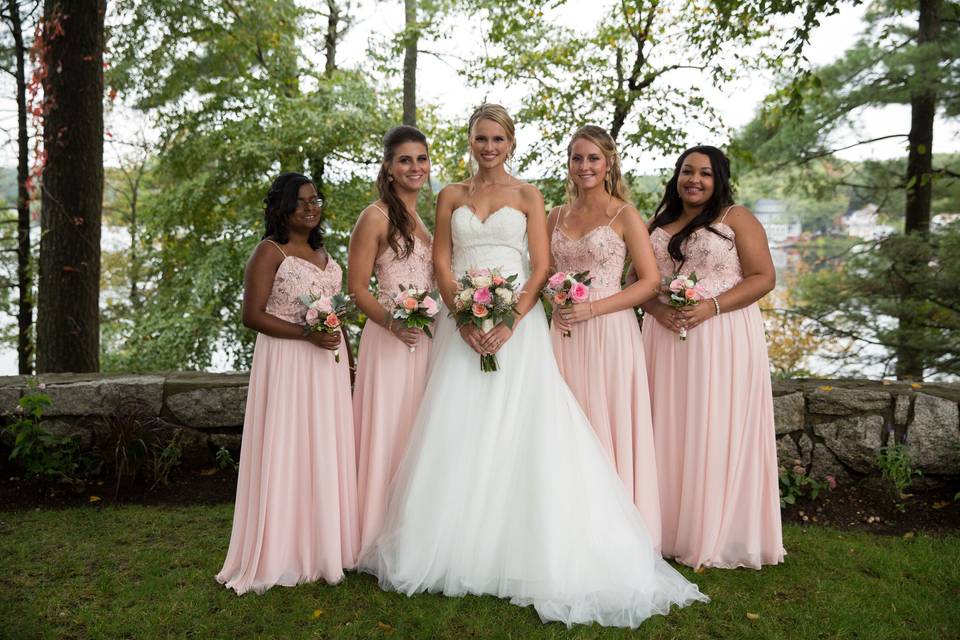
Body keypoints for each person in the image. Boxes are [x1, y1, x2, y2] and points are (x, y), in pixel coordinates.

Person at [359, 105, 707, 628]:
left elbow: (542, 266)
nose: (489, 147)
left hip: (517, 330)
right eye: (481, 138)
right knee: (460, 431)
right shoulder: (450, 196)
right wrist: (463, 314)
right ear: (470, 141)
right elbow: (441, 262)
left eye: (498, 138)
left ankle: (524, 545)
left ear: (511, 143)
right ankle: (457, 543)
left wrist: (510, 319)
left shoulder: (529, 197)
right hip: (461, 330)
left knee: (525, 431)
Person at [641, 146, 785, 569]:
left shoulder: (735, 218)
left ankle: (716, 532)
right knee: (668, 427)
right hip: (665, 337)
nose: (695, 180)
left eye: (705, 173)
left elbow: (765, 277)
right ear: (677, 175)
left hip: (722, 334)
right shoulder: (659, 220)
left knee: (714, 424)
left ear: (719, 178)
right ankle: (665, 529)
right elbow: (636, 281)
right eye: (688, 171)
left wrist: (712, 306)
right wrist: (660, 310)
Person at [216, 173, 359, 594]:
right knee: (288, 447)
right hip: (287, 360)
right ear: (282, 208)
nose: (312, 208)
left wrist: (347, 359)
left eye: (316, 200)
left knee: (323, 446)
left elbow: (335, 311)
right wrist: (305, 335)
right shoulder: (269, 252)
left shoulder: (322, 251)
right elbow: (252, 316)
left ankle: (323, 547)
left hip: (327, 363)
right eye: (302, 203)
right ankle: (282, 550)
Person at [548, 125, 662, 547]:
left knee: (606, 420)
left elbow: (648, 281)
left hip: (610, 329)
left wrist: (593, 307)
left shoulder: (625, 215)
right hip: (563, 332)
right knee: (566, 421)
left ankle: (616, 531)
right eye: (577, 158)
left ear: (609, 161)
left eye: (593, 158)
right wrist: (555, 300)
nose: (585, 166)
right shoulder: (554, 216)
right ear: (569, 163)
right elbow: (542, 273)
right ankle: (567, 524)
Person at [349, 126, 435, 552]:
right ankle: (375, 532)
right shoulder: (376, 216)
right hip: (389, 340)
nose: (414, 167)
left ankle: (411, 531)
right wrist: (392, 322)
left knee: (418, 432)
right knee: (389, 430)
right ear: (388, 166)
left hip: (426, 340)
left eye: (421, 159)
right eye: (405, 160)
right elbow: (358, 288)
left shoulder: (420, 219)